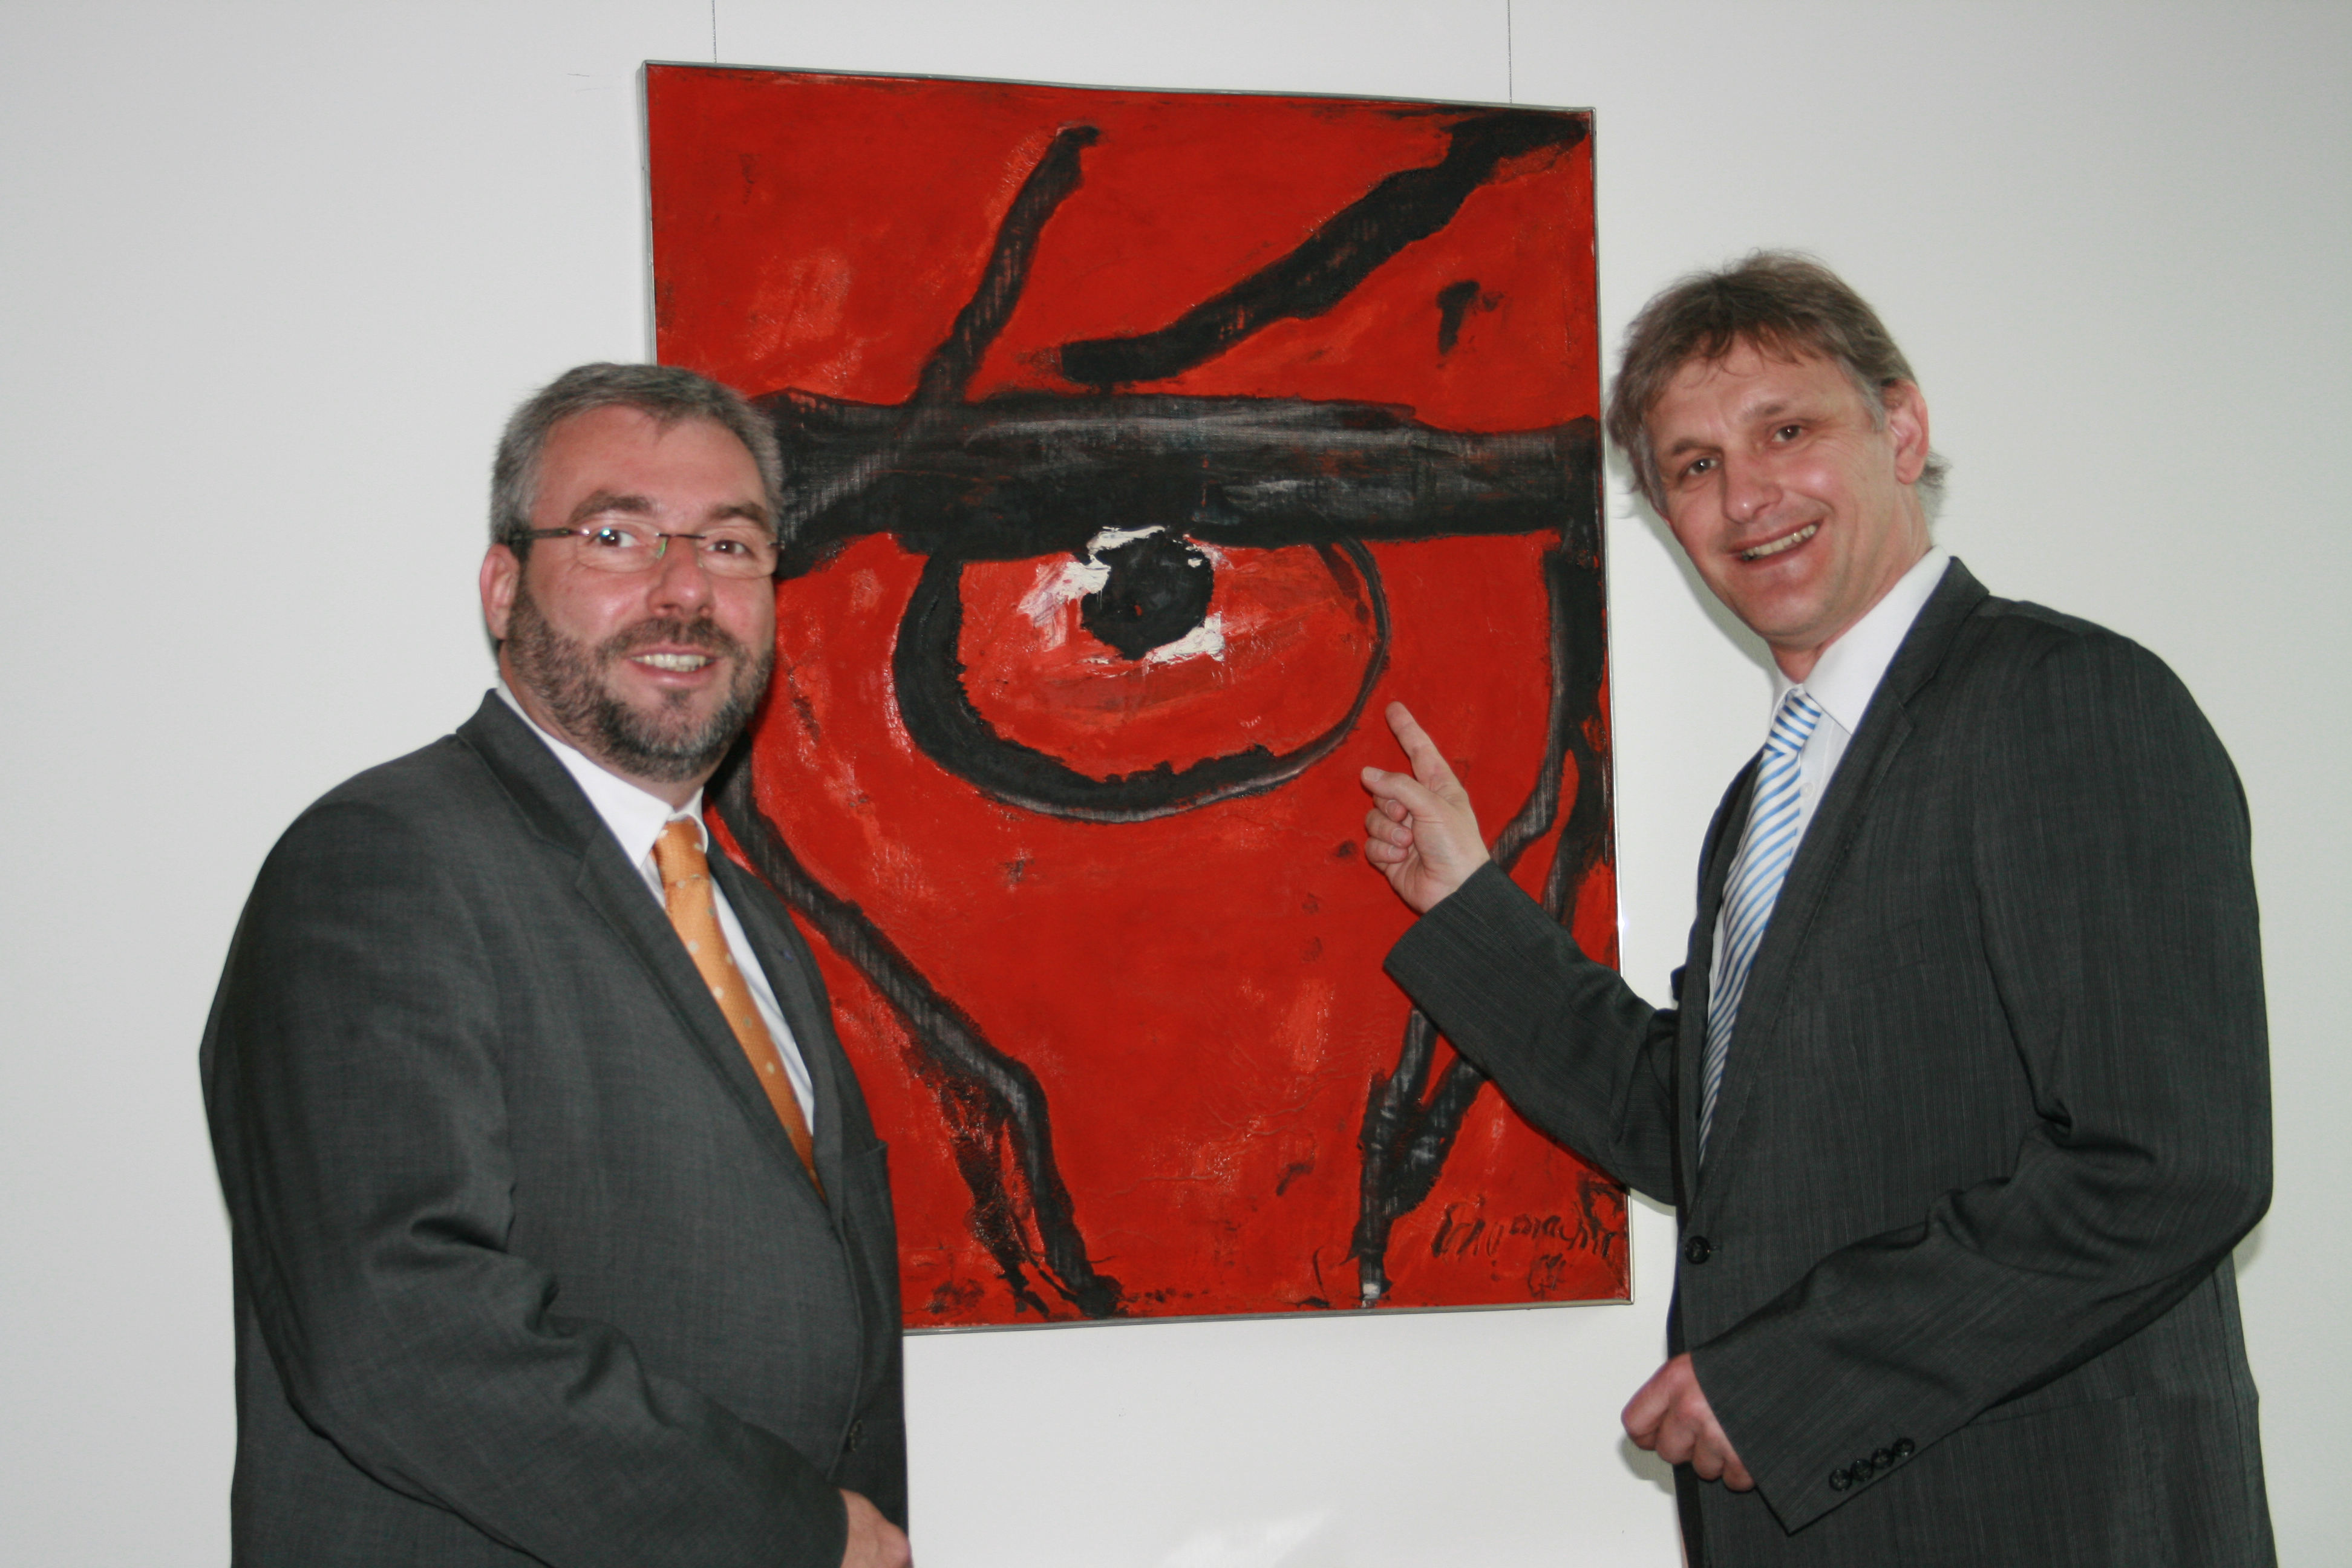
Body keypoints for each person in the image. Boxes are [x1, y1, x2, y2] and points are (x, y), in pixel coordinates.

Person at [1361, 254, 2272, 1564]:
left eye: (1786, 432)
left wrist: (1792, 1383)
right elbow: (1704, 1135)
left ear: (1900, 429)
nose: (1746, 497)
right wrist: (1468, 905)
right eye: (1694, 466)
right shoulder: (1766, 797)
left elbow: (2169, 1166)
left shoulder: (2067, 701)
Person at [201, 364, 912, 1567]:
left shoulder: (750, 921)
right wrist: (794, 1535)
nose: (684, 590)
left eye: (731, 545)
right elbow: (395, 1330)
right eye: (617, 535)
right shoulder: (382, 863)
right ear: (502, 587)